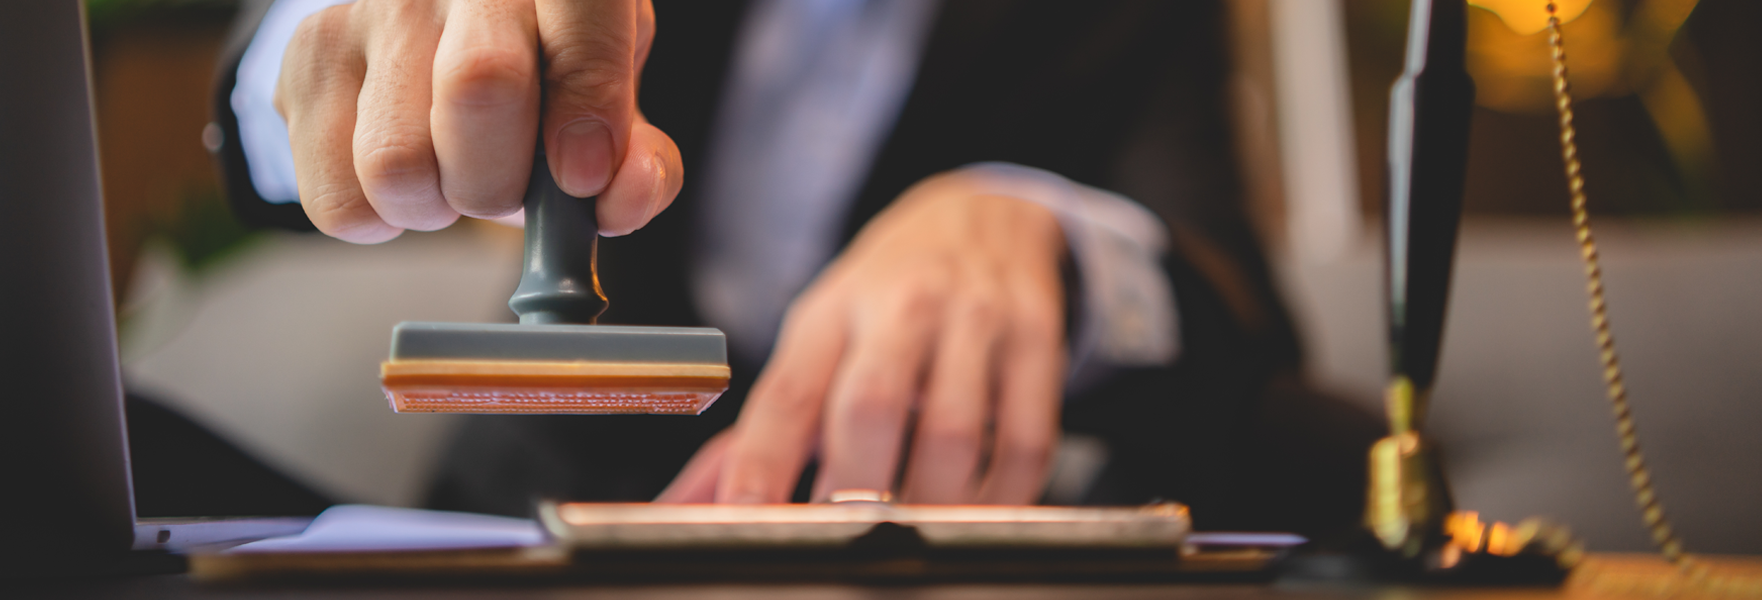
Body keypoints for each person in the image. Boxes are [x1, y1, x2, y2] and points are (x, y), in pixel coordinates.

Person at [213, 0, 1380, 536]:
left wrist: (1040, 231)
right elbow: (256, 118)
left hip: (918, 539)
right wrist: (348, 36)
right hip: (544, 509)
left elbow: (1237, 305)